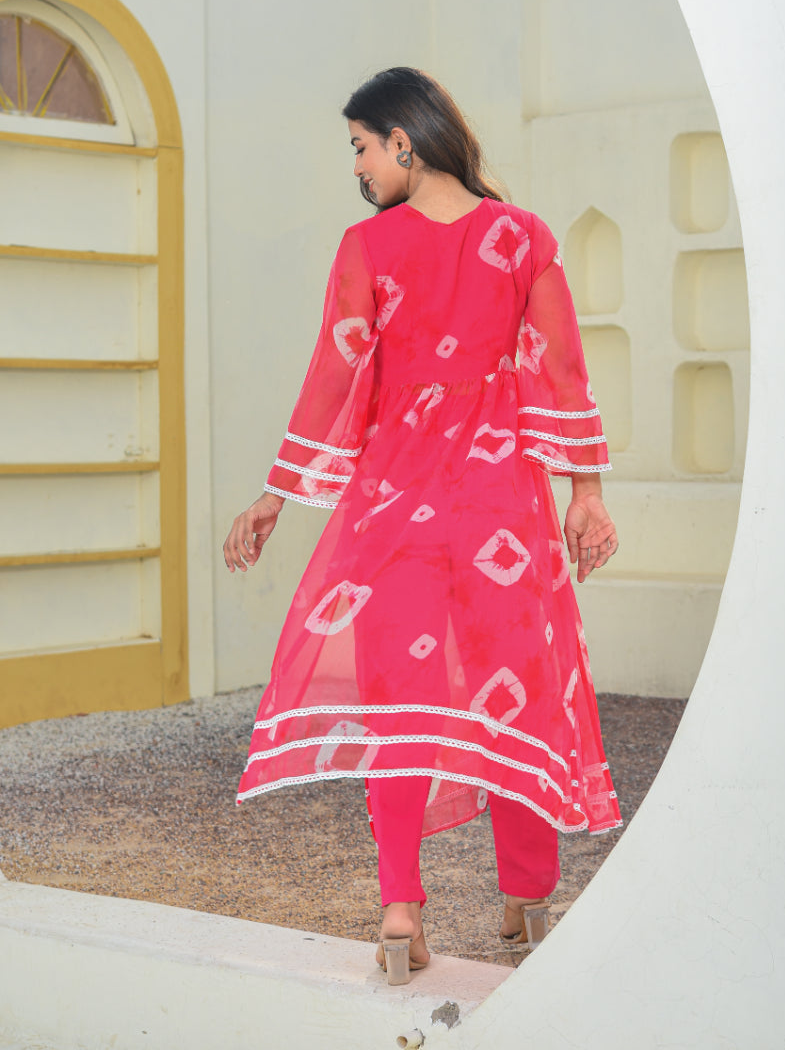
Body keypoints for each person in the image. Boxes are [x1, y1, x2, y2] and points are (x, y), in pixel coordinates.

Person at [223, 67, 621, 984]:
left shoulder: (369, 247)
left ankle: (401, 906)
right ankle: (525, 904)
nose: (358, 169)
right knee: (506, 692)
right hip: (500, 513)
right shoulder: (521, 238)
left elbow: (335, 378)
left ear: (404, 139)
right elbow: (561, 370)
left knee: (396, 704)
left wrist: (277, 496)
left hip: (394, 508)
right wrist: (586, 492)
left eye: (362, 146)